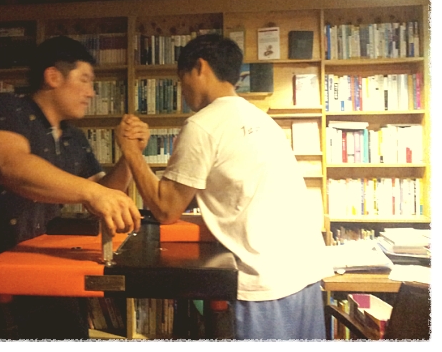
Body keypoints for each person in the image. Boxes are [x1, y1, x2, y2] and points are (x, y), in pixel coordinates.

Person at [116, 33, 334, 340]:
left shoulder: (203, 125)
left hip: (265, 284)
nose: (182, 91)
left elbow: (166, 208)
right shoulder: (262, 120)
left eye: (181, 80)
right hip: (306, 274)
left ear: (199, 67)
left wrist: (130, 152)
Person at [0, 36, 144, 340]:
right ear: (53, 77)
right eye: (85, 80)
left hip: (43, 270)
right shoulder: (6, 107)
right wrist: (94, 193)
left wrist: (131, 155)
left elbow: (101, 192)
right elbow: (10, 165)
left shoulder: (73, 137)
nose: (92, 92)